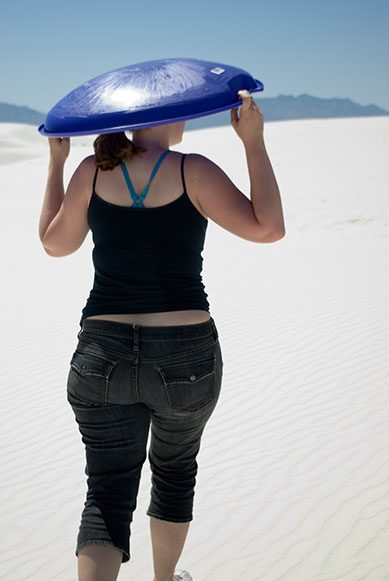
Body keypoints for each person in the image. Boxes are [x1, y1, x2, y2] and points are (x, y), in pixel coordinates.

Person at [38, 89, 285, 581]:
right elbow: (268, 227)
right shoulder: (193, 169)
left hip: (100, 354)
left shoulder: (92, 170)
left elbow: (53, 244)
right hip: (184, 357)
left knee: (107, 490)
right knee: (173, 474)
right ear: (172, 117)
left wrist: (57, 165)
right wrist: (253, 143)